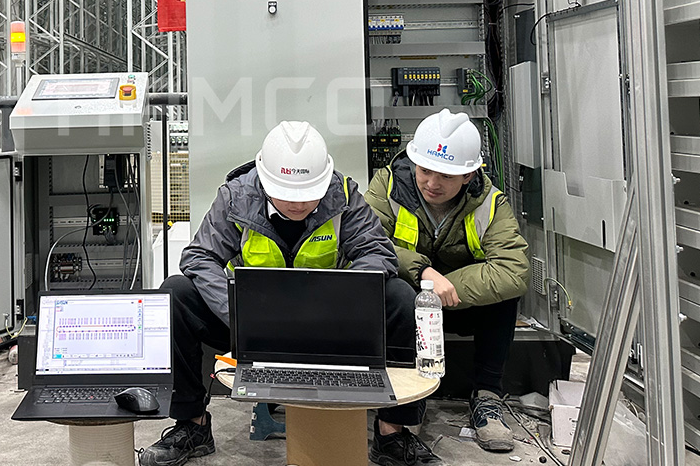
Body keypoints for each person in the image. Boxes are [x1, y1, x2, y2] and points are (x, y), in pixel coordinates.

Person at [139, 121, 423, 466]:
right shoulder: (237, 197)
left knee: (401, 296)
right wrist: (239, 313)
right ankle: (191, 425)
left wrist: (338, 303)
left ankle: (392, 433)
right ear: (264, 180)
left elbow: (377, 253)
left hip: (329, 323)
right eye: (286, 193)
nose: (298, 203)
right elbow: (200, 257)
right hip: (255, 326)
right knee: (176, 294)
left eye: (308, 193)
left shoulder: (344, 196)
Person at [364, 108, 530, 460]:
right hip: (406, 303)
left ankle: (487, 396)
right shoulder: (388, 186)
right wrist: (424, 274)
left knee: (503, 300)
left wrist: (442, 290)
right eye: (425, 170)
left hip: (455, 304)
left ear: (469, 174)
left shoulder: (489, 203)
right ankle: (402, 405)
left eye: (446, 176)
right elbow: (368, 242)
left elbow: (513, 269)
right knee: (392, 293)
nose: (432, 183)